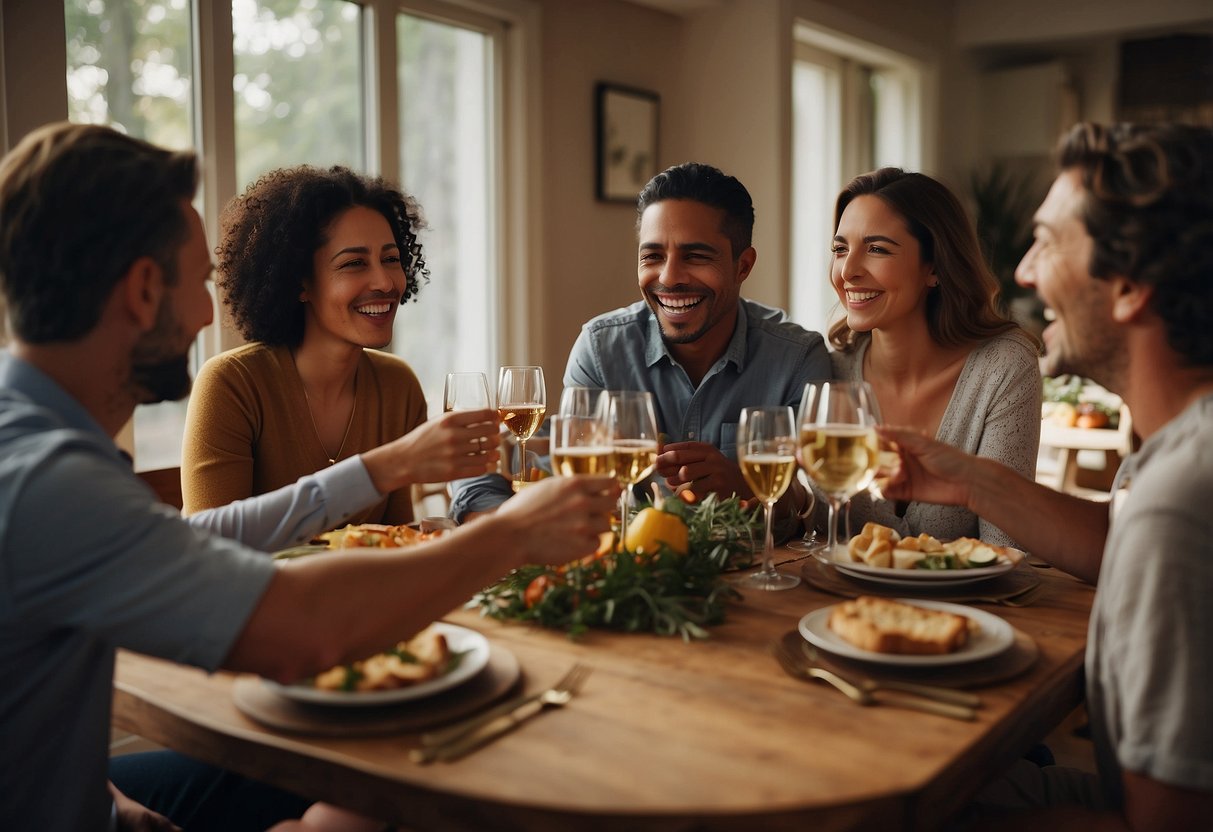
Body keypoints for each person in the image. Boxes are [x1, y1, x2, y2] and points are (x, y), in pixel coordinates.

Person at [0, 122, 618, 831]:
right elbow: (305, 631)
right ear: (144, 289)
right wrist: (511, 534)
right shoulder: (49, 481)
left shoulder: (30, 442)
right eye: (198, 282)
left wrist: (113, 808)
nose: (209, 313)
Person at [878, 122, 1213, 830]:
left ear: (1127, 286)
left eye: (1048, 242)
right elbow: (1112, 543)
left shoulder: (1179, 501)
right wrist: (972, 481)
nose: (1024, 271)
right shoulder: (1182, 451)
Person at [451, 162, 831, 532]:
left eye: (696, 256)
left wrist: (750, 486)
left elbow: (823, 504)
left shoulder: (796, 359)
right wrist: (491, 530)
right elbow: (533, 462)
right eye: (652, 256)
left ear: (742, 265)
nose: (669, 278)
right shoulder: (602, 350)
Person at [182, 165, 458, 524]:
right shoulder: (232, 384)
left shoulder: (397, 385)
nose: (385, 282)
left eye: (391, 259)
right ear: (299, 283)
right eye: (355, 263)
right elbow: (213, 549)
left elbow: (396, 541)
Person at [825, 168, 1041, 547]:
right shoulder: (831, 370)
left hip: (968, 606)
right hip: (846, 606)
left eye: (876, 249)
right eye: (840, 249)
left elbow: (1005, 551)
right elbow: (816, 534)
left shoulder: (1002, 368)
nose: (848, 271)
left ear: (935, 267)